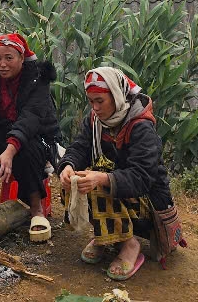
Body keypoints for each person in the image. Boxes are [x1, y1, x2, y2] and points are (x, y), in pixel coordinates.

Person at [57, 66, 186, 281]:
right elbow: (80, 147)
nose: (95, 107)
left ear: (117, 96)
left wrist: (102, 178)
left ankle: (130, 244)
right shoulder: (95, 121)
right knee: (75, 184)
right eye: (91, 101)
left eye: (100, 101)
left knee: (99, 186)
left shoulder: (140, 126)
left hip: (148, 200)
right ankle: (105, 236)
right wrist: (68, 166)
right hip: (122, 192)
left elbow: (142, 177)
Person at [0, 33, 60, 243]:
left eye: (9, 58)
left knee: (27, 151)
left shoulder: (38, 81)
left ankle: (37, 211)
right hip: (1, 141)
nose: (2, 64)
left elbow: (30, 118)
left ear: (22, 59)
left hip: (36, 140)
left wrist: (10, 149)